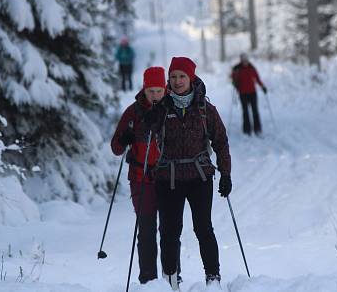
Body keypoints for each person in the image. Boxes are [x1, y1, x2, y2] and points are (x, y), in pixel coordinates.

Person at [145, 56, 232, 289]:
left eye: (182, 76)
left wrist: (225, 174)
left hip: (199, 177)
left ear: (191, 77)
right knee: (169, 233)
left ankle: (213, 279)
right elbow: (143, 130)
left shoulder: (205, 109)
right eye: (173, 77)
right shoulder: (161, 108)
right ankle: (171, 280)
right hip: (168, 178)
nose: (177, 81)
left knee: (204, 228)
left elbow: (221, 141)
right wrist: (148, 118)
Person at [110, 67, 181, 285]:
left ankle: (172, 279)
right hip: (141, 179)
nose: (156, 95)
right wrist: (125, 138)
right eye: (151, 91)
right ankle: (148, 282)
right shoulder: (133, 113)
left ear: (165, 89)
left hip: (169, 178)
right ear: (144, 89)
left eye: (159, 90)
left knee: (169, 232)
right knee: (147, 231)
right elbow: (116, 147)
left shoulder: (174, 109)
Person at [231, 53, 267, 135]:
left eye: (246, 59)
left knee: (255, 111)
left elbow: (257, 79)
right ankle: (247, 129)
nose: (245, 61)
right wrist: (235, 83)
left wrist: (262, 87)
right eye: (243, 59)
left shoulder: (252, 68)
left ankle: (257, 129)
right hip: (242, 93)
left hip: (252, 93)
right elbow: (233, 79)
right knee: (245, 111)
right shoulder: (237, 69)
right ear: (241, 60)